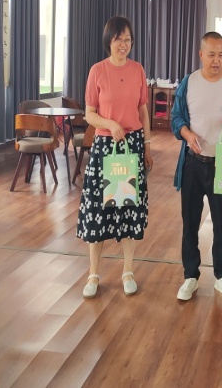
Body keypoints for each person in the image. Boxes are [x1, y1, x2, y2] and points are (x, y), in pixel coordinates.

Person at [77, 16, 153, 299]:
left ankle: (128, 271)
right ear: (108, 40)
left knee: (128, 209)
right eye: (119, 39)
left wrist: (147, 146)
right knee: (99, 211)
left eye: (128, 39)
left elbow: (143, 111)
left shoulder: (138, 70)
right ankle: (93, 274)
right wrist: (110, 124)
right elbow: (89, 113)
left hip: (131, 146)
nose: (124, 44)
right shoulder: (97, 71)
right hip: (105, 147)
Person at [171, 32, 222, 301]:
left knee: (221, 223)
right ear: (201, 55)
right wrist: (187, 134)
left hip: (221, 164)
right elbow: (176, 117)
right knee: (190, 223)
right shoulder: (188, 82)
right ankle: (190, 276)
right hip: (193, 163)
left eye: (221, 54)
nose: (217, 60)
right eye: (212, 54)